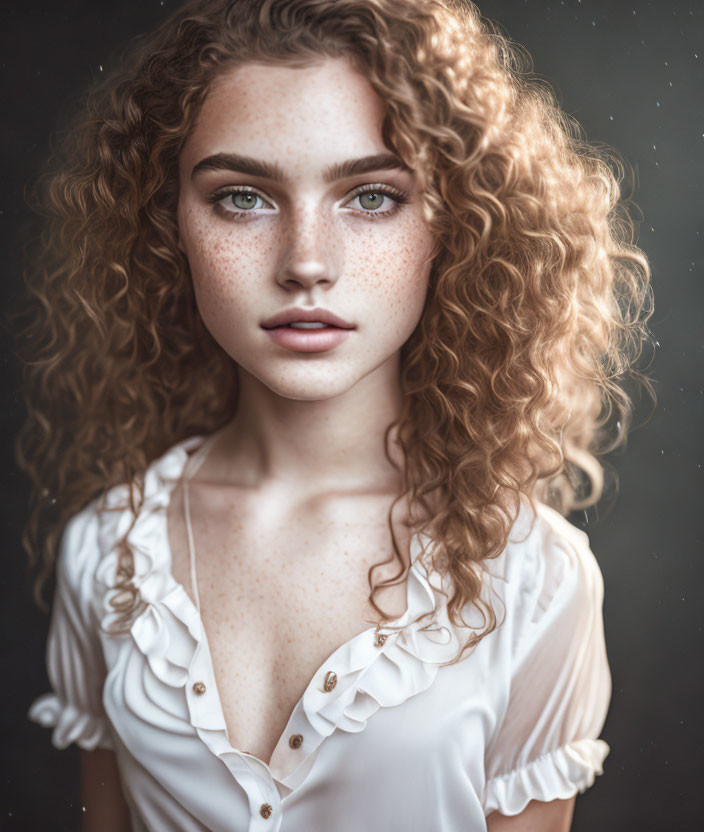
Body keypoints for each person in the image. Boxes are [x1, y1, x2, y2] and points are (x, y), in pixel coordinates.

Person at [16, 0, 653, 830]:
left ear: (450, 226)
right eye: (243, 197)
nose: (306, 262)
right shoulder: (107, 554)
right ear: (167, 222)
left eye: (372, 197)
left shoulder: (533, 578)